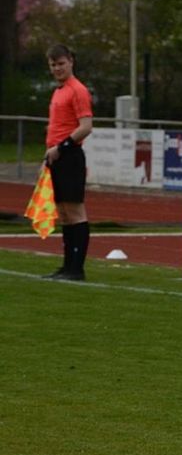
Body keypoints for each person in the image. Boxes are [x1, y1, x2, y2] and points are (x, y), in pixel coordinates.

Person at [42, 44, 94, 281]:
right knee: (63, 212)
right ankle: (67, 265)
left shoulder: (78, 90)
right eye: (53, 65)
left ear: (71, 61)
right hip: (56, 157)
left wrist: (61, 147)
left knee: (74, 211)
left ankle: (77, 268)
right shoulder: (58, 91)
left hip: (69, 156)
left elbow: (85, 127)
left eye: (61, 63)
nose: (57, 68)